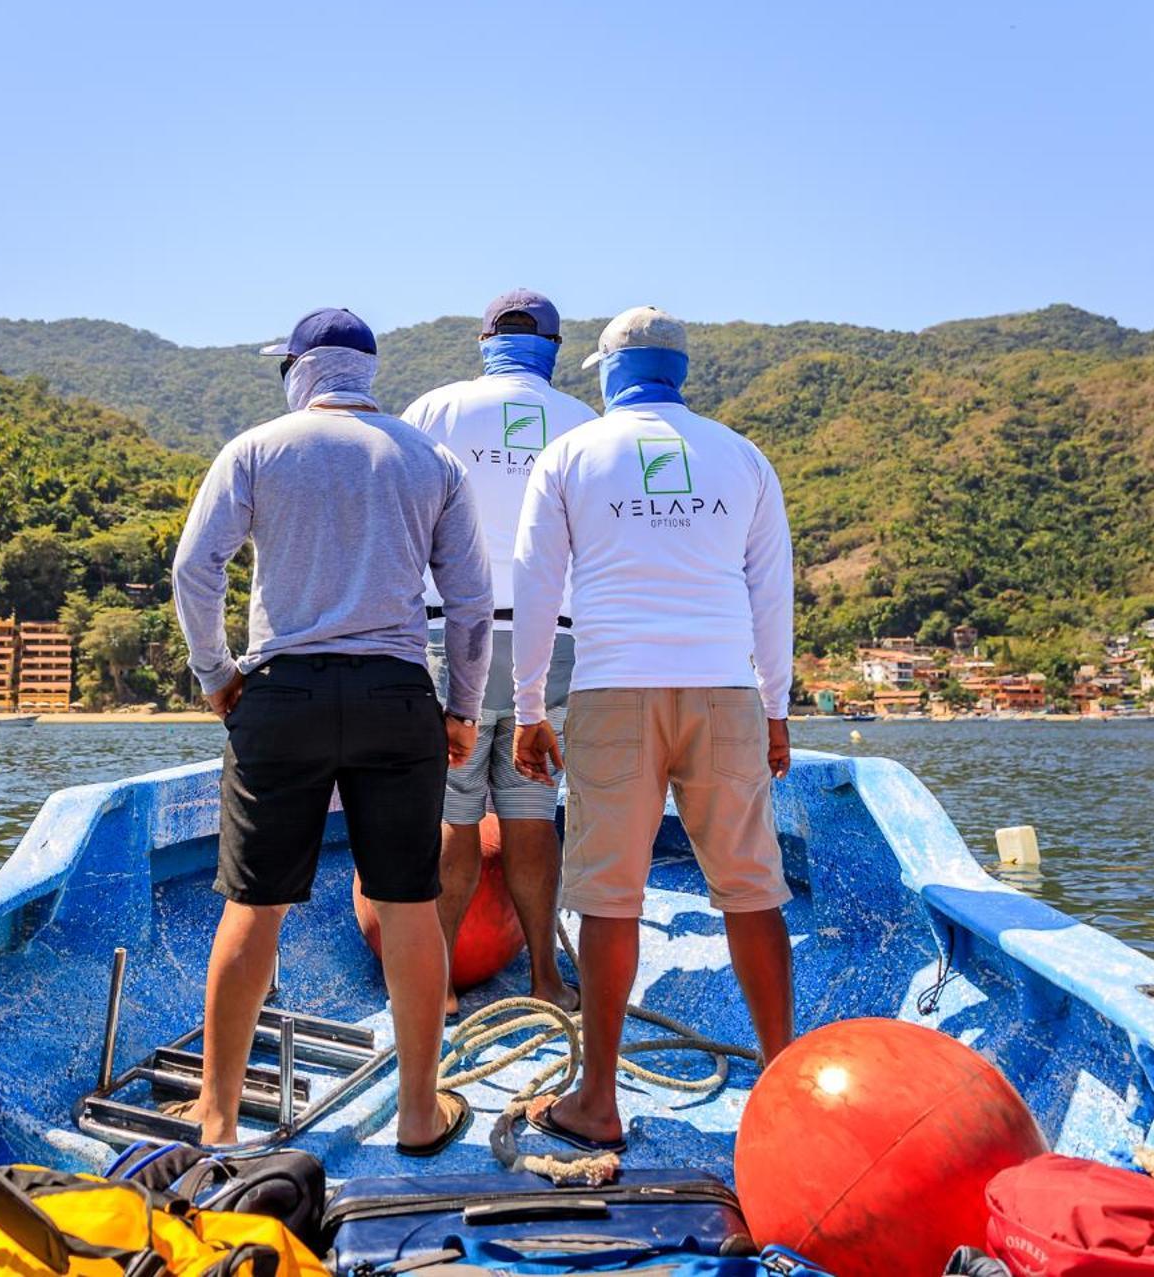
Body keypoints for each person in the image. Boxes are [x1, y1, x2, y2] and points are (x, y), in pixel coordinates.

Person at [171, 307, 493, 1154]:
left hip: (282, 694)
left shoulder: (257, 448)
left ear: (302, 371)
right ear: (367, 372)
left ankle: (216, 1114)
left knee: (254, 904)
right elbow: (468, 601)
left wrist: (217, 674)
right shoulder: (432, 459)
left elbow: (194, 568)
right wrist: (462, 706)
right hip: (396, 695)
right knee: (410, 904)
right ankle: (420, 1114)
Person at [509, 305, 796, 1152]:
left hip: (612, 692)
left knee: (608, 894)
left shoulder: (570, 453)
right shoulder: (742, 456)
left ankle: (597, 1098)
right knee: (752, 886)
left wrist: (529, 707)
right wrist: (774, 706)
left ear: (606, 372)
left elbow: (535, 586)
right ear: (681, 372)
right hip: (724, 691)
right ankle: (781, 1086)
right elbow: (770, 594)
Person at [400, 289, 598, 1014]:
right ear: (551, 345)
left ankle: (442, 984)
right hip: (555, 640)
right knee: (532, 812)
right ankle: (547, 979)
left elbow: (404, 522)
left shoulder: (432, 410)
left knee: (452, 817)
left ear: (486, 340)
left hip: (451, 632)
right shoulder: (584, 423)